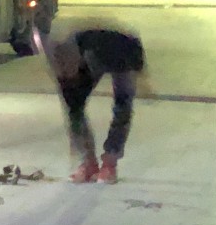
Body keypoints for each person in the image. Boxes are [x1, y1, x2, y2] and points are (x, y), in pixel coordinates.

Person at [39, 18, 151, 184]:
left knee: (122, 105)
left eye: (68, 69)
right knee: (73, 105)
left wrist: (144, 80)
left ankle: (110, 163)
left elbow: (127, 94)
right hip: (90, 52)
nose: (66, 74)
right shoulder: (65, 55)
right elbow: (71, 103)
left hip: (124, 49)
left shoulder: (112, 50)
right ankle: (88, 163)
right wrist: (79, 142)